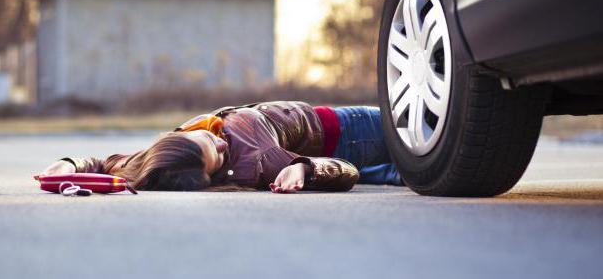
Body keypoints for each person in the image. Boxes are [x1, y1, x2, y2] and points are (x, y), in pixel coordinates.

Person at [36, 101, 402, 193]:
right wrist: (306, 169)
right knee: (445, 135)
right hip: (351, 132)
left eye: (206, 139)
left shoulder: (162, 157)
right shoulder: (262, 162)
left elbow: (109, 164)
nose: (218, 140)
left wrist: (72, 163)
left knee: (422, 172)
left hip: (336, 126)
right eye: (218, 156)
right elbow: (346, 171)